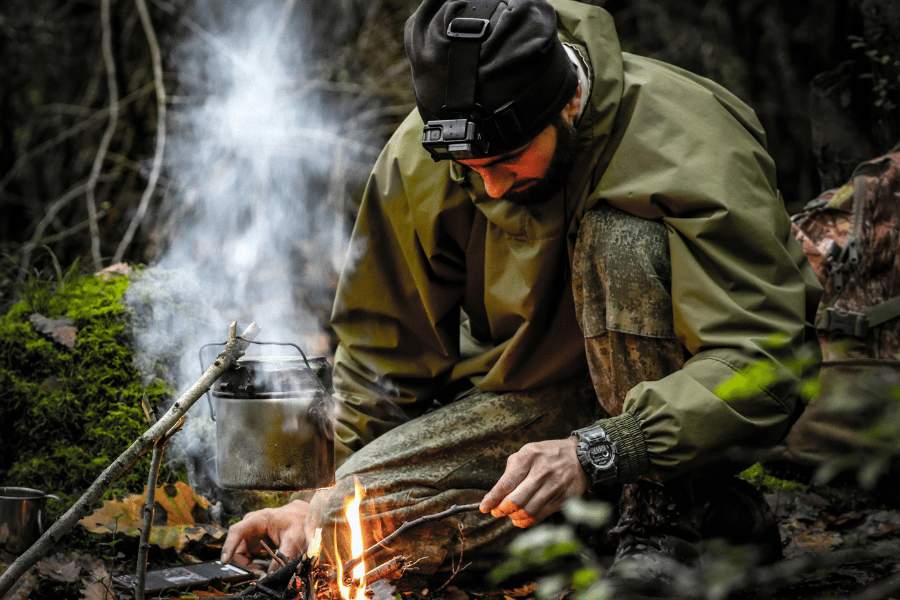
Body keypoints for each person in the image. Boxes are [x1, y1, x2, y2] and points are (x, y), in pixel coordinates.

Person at [222, 0, 821, 590]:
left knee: (624, 239)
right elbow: (383, 353)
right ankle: (708, 527)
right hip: (534, 404)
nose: (491, 184)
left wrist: (604, 450)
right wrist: (310, 502)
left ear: (569, 102)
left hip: (666, 402)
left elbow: (763, 359)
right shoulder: (429, 153)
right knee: (343, 529)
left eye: (507, 160)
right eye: (470, 166)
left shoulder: (692, 137)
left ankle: (669, 525)